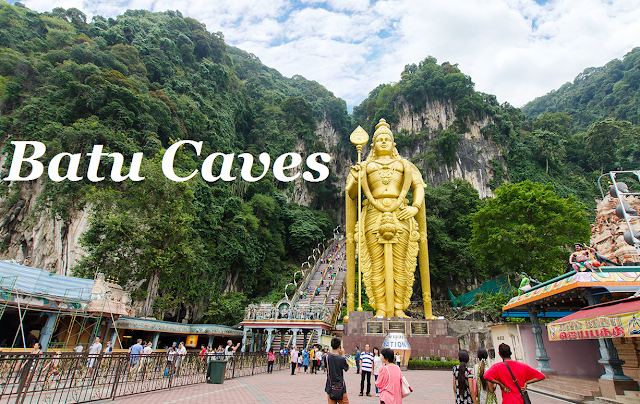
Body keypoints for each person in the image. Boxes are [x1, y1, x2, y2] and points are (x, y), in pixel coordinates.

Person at [346, 118, 433, 319]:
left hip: (401, 213)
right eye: (379, 139)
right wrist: (357, 178)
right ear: (373, 145)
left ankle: (400, 309)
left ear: (393, 144)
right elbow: (351, 194)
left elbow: (418, 186)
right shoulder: (365, 165)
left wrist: (415, 207)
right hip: (373, 214)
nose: (383, 141)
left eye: (387, 138)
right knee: (376, 264)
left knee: (401, 264)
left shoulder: (405, 165)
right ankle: (381, 309)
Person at [325, 337, 349, 404]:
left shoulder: (327, 357)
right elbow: (347, 367)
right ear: (339, 346)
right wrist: (343, 354)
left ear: (331, 345)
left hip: (330, 386)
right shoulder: (341, 358)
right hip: (340, 386)